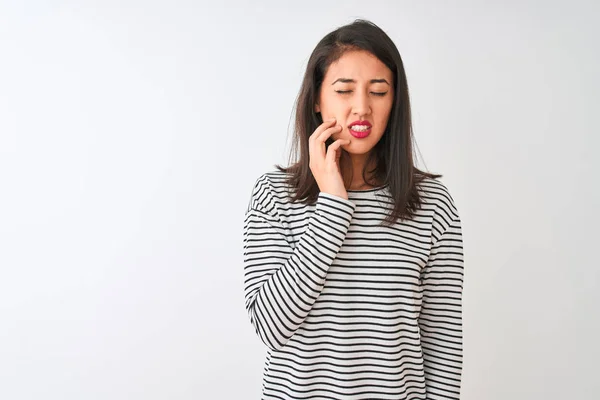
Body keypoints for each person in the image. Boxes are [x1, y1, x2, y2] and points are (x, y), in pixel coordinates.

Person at [242, 18, 464, 400]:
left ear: (395, 101)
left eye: (378, 91)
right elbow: (270, 325)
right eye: (344, 90)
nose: (361, 108)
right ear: (316, 99)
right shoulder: (274, 196)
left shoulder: (432, 203)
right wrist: (332, 204)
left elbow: (442, 345)